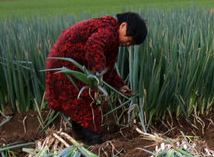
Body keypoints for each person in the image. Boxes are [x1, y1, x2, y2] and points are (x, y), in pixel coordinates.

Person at [45, 12, 147, 145]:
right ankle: (95, 143)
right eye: (129, 38)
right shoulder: (108, 31)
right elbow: (93, 46)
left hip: (62, 63)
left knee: (80, 101)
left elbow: (107, 67)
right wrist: (98, 78)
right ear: (123, 25)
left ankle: (80, 137)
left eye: (131, 43)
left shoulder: (110, 32)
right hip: (64, 64)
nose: (128, 43)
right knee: (87, 101)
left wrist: (120, 85)